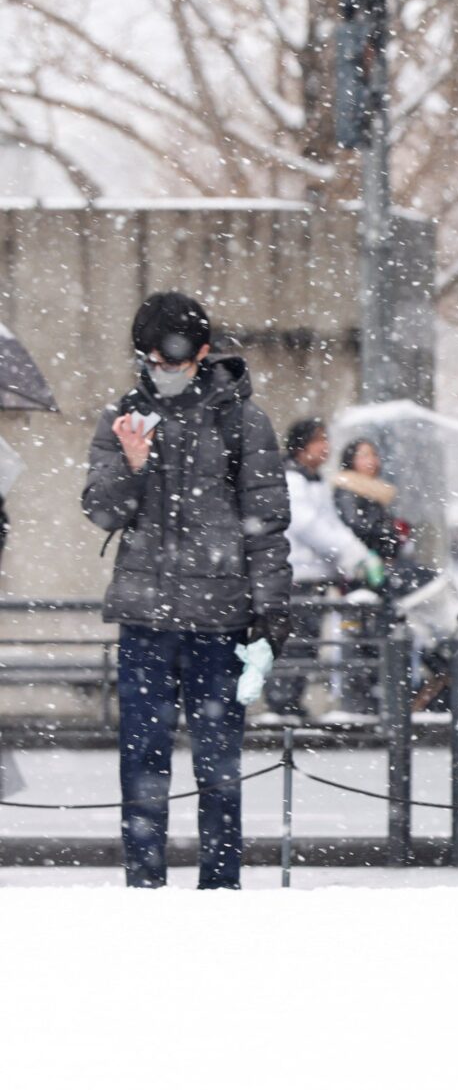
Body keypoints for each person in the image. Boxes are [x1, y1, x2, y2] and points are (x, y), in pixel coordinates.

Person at [81, 292, 291, 889]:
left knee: (218, 767)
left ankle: (219, 888)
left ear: (202, 353)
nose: (161, 371)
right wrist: (131, 463)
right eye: (150, 361)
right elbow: (102, 511)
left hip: (220, 622)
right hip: (144, 621)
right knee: (141, 762)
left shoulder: (241, 420)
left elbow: (267, 525)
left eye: (172, 361)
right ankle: (144, 885)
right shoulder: (124, 417)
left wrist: (271, 611)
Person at [270, 417, 385, 716]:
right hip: (297, 573)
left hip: (315, 575)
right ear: (301, 446)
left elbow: (331, 524)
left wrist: (356, 553)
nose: (326, 447)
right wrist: (351, 553)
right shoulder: (292, 481)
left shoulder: (316, 480)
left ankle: (290, 701)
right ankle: (283, 702)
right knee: (294, 643)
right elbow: (310, 527)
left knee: (307, 642)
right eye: (319, 440)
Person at [335, 438, 406, 564]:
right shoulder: (347, 488)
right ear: (351, 460)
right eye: (364, 456)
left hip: (379, 558)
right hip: (364, 560)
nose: (372, 461)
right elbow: (354, 524)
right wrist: (390, 532)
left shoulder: (375, 491)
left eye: (374, 455)